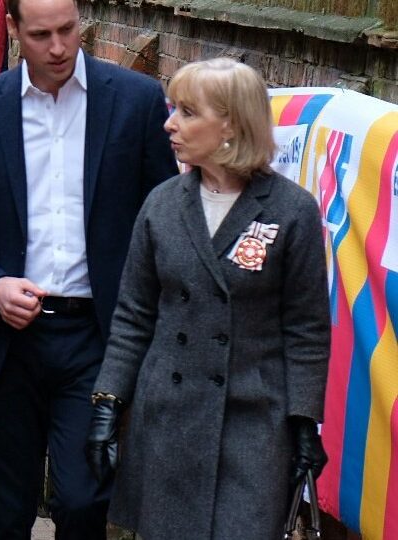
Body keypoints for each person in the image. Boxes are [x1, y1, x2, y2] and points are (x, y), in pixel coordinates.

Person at [0, 0, 178, 536]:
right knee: (5, 512)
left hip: (96, 336)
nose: (58, 47)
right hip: (7, 342)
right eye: (41, 35)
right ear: (11, 29)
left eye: (68, 30)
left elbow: (163, 219)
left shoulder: (136, 101)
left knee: (80, 500)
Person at [85, 57, 330, 539]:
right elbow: (134, 315)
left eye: (187, 112)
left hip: (254, 422)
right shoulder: (161, 203)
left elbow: (306, 329)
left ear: (231, 125)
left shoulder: (291, 210)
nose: (169, 124)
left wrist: (305, 420)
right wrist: (108, 404)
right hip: (168, 418)